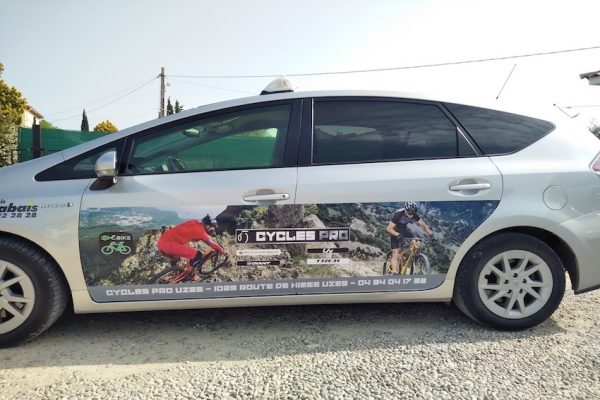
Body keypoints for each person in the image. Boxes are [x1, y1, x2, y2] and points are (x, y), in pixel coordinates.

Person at [157, 215, 226, 280]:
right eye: (211, 226)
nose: (212, 228)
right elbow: (212, 244)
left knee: (176, 257)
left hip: (161, 242)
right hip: (170, 246)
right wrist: (222, 251)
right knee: (198, 255)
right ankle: (190, 275)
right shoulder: (201, 233)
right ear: (207, 225)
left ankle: (174, 271)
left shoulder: (193, 221)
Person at [386, 201, 433, 274]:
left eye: (412, 213)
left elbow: (424, 225)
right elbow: (389, 229)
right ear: (406, 210)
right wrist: (397, 234)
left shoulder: (414, 214)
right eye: (409, 213)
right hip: (395, 231)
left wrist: (431, 234)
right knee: (395, 252)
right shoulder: (398, 215)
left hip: (404, 230)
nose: (411, 215)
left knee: (415, 243)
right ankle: (394, 273)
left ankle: (409, 258)